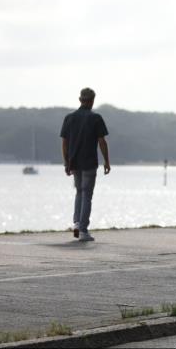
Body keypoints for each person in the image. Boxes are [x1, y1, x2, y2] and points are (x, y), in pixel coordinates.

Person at [60, 88, 110, 242]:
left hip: (74, 162)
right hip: (89, 162)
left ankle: (76, 224)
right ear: (92, 100)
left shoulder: (69, 118)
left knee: (79, 193)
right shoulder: (96, 118)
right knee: (87, 195)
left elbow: (64, 142)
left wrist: (66, 162)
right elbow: (102, 141)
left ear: (80, 99)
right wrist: (106, 161)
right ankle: (83, 230)